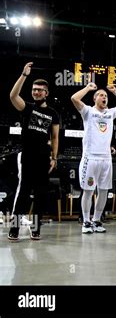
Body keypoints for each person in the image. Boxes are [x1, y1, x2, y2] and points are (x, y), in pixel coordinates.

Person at [8, 62, 59, 241]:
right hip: (27, 156)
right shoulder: (27, 107)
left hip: (44, 157)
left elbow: (55, 138)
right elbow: (13, 95)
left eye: (40, 90)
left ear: (46, 93)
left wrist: (54, 157)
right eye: (34, 89)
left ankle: (36, 229)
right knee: (23, 192)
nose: (36, 92)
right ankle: (14, 228)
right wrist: (24, 75)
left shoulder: (53, 113)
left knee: (40, 195)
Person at [71, 82, 116, 234]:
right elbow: (74, 98)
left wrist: (115, 91)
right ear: (95, 99)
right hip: (90, 158)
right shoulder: (88, 111)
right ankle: (86, 221)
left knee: (103, 191)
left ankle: (97, 220)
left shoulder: (110, 113)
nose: (104, 97)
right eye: (101, 95)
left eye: (105, 96)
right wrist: (88, 88)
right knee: (88, 191)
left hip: (106, 159)